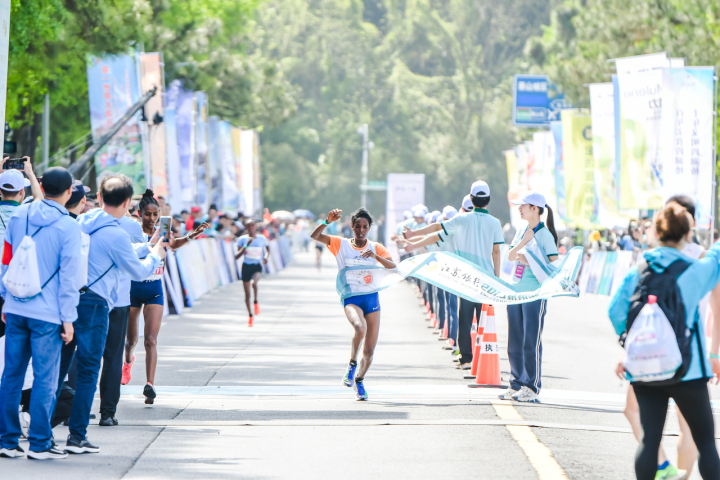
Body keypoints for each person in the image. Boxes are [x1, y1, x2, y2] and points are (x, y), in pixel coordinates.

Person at [54, 176, 168, 454]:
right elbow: (138, 271)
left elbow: (120, 251)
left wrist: (146, 246)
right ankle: (78, 435)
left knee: (61, 368)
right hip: (96, 304)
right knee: (91, 369)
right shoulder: (117, 232)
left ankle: (43, 431)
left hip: (69, 298)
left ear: (100, 198)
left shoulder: (84, 222)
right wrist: (156, 253)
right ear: (128, 202)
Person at [609, 202, 720, 480]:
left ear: (657, 233)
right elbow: (716, 258)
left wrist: (632, 339)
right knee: (706, 442)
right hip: (688, 370)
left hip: (644, 369)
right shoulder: (692, 270)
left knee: (649, 440)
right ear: (688, 234)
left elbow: (615, 311)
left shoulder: (639, 270)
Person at [0, 167, 80, 460]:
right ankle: (40, 443)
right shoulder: (69, 226)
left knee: (11, 376)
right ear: (69, 191)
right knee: (46, 379)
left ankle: (7, 441)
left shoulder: (20, 214)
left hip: (15, 307)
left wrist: (7, 299)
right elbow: (71, 277)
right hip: (47, 313)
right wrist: (68, 318)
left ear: (41, 186)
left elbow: (6, 259)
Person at [403, 181, 503, 371]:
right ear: (488, 200)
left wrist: (413, 237)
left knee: (465, 318)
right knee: (485, 320)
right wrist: (497, 279)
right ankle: (483, 358)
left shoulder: (461, 219)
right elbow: (496, 252)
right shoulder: (495, 223)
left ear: (471, 199)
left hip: (466, 279)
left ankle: (466, 359)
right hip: (487, 280)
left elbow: (436, 230)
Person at [123, 189, 208, 405]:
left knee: (151, 339)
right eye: (148, 215)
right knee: (131, 340)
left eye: (155, 215)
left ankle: (150, 385)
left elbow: (173, 244)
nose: (152, 219)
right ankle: (127, 361)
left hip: (155, 290)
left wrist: (191, 235)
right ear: (139, 214)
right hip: (133, 289)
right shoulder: (134, 234)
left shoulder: (163, 232)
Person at [310, 208, 396, 400]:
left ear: (370, 228)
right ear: (352, 227)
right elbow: (315, 236)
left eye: (365, 227)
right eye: (357, 226)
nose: (361, 230)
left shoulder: (376, 247)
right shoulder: (340, 244)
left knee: (369, 352)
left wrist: (375, 257)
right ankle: (351, 365)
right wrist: (327, 221)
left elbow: (393, 266)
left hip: (372, 299)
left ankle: (359, 380)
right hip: (351, 297)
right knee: (359, 328)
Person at [503, 192, 559, 402]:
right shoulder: (522, 230)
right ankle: (515, 383)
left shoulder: (545, 235)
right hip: (515, 291)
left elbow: (554, 265)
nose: (519, 209)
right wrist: (523, 242)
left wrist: (532, 261)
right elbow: (510, 256)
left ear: (535, 208)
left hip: (535, 293)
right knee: (514, 341)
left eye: (523, 206)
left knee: (530, 340)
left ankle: (531, 386)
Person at [235, 218, 270, 324]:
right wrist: (247, 245)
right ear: (246, 227)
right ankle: (250, 315)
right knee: (247, 294)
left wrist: (266, 257)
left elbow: (268, 249)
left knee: (254, 284)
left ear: (255, 227)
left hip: (256, 266)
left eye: (252, 225)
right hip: (246, 267)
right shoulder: (242, 239)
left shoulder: (262, 238)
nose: (250, 228)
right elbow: (237, 256)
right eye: (248, 226)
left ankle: (255, 302)